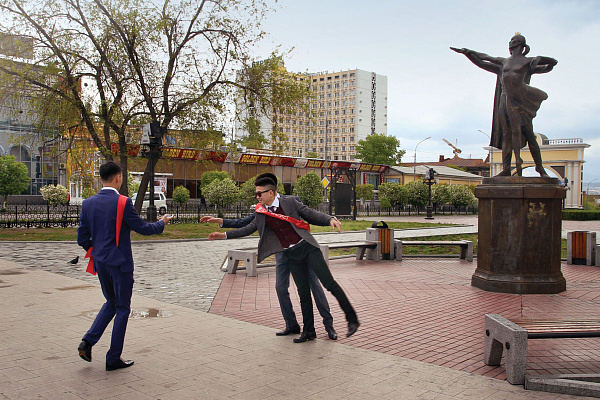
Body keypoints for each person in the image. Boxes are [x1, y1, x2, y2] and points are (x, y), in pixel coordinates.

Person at [208, 175, 360, 343]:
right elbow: (247, 228)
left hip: (308, 248)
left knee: (328, 284)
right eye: (256, 194)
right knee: (303, 293)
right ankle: (309, 331)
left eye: (259, 193)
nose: (257, 197)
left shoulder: (290, 202)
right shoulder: (261, 212)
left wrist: (329, 219)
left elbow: (310, 214)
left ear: (270, 192)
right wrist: (223, 235)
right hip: (291, 254)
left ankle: (352, 320)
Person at [76, 161, 173, 371]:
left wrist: (97, 251)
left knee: (111, 302)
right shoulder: (123, 202)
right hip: (120, 264)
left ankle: (87, 342)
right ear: (118, 178)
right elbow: (144, 228)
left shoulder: (88, 203)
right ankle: (113, 358)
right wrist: (162, 223)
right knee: (122, 307)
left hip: (101, 263)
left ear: (101, 179)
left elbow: (82, 238)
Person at [451, 34, 557, 177]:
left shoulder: (528, 62)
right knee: (506, 134)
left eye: (513, 41)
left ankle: (540, 168)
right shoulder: (504, 62)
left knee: (529, 134)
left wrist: (540, 58)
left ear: (520, 44)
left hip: (520, 100)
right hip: (504, 99)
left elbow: (551, 65)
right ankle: (506, 168)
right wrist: (467, 52)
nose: (510, 43)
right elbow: (484, 59)